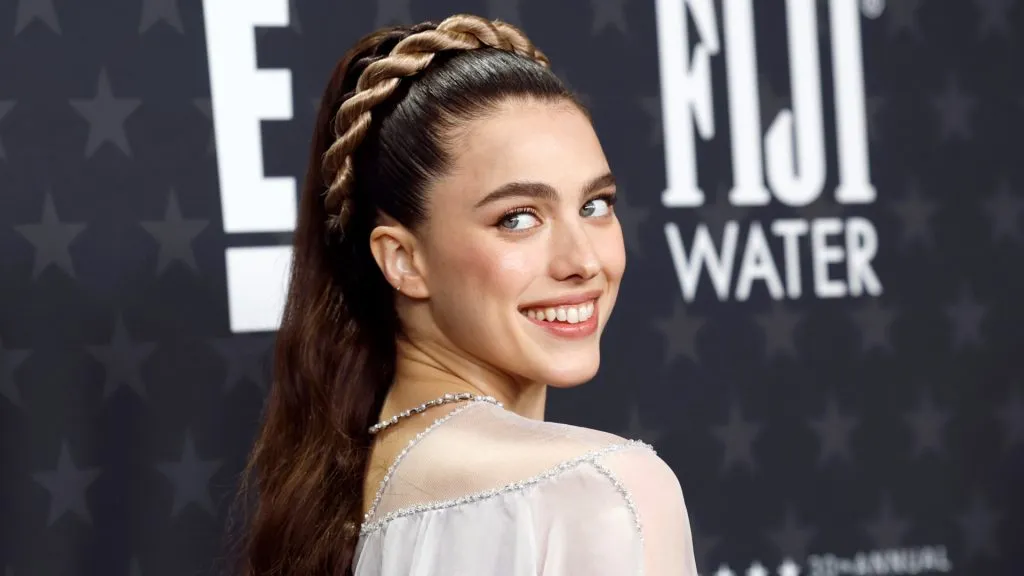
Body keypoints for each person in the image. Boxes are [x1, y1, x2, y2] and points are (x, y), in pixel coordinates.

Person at [228, 13, 699, 576]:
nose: (583, 262)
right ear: (403, 260)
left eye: (595, 206)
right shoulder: (602, 490)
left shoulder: (345, 490)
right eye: (518, 218)